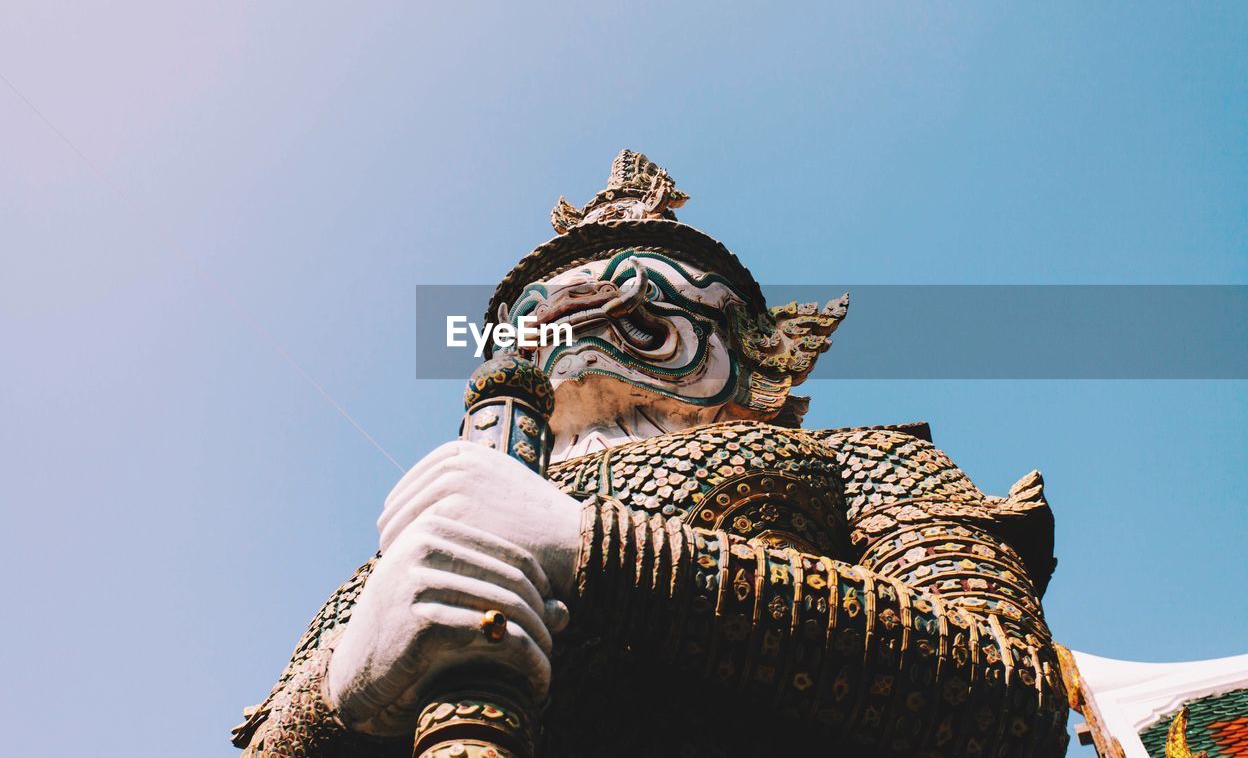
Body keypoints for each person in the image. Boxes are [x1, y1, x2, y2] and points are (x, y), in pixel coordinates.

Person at [233, 151, 1070, 756]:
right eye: (547, 310)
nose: (574, 314)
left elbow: (1005, 692)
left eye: (634, 299)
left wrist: (596, 550)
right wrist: (344, 685)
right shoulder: (423, 538)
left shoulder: (863, 460)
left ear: (761, 351)